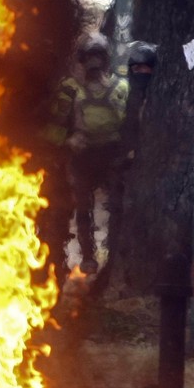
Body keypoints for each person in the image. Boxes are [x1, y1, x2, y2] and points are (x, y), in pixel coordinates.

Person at [50, 32, 130, 275]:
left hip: (112, 156)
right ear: (82, 59)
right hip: (82, 157)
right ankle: (88, 256)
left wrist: (129, 150)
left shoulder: (121, 88)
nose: (94, 63)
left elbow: (134, 122)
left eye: (99, 56)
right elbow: (56, 124)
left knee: (118, 207)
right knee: (83, 208)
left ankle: (116, 256)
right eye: (90, 56)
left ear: (106, 59)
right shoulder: (70, 89)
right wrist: (66, 142)